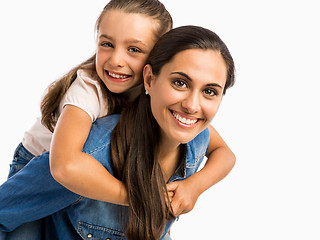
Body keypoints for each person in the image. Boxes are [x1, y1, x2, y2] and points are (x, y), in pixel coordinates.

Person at [0, 25, 236, 240]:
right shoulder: (89, 154)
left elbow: (225, 154)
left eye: (210, 91)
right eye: (180, 83)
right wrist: (141, 198)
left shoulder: (196, 138)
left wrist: (195, 185)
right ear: (149, 79)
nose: (193, 106)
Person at [4, 0, 172, 239]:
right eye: (107, 44)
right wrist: (140, 198)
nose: (116, 60)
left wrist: (193, 187)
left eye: (133, 49)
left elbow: (219, 149)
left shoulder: (159, 91)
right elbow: (64, 165)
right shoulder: (87, 89)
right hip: (38, 171)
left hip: (82, 174)